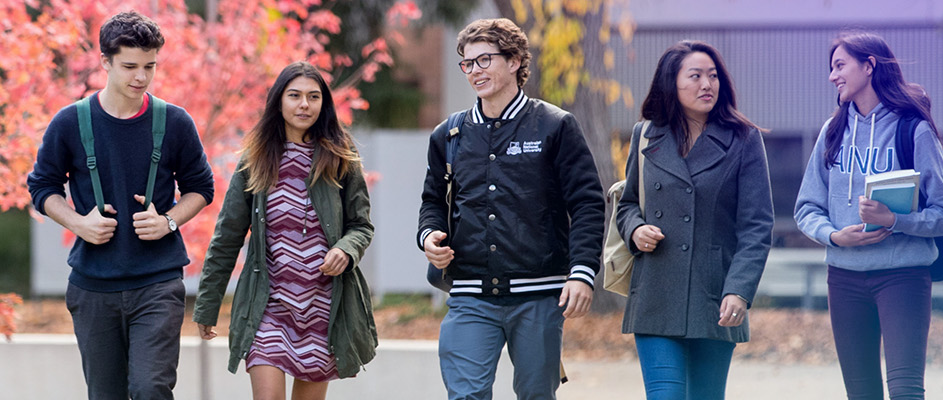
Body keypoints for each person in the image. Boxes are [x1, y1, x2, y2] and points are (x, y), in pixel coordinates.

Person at [24, 11, 216, 400]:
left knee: (150, 388)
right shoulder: (69, 123)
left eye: (150, 66)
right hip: (93, 286)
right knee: (105, 394)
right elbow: (42, 187)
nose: (141, 77)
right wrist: (79, 223)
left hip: (158, 282)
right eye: (130, 66)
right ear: (105, 62)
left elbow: (201, 188)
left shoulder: (176, 122)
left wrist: (169, 221)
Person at [418, 18, 604, 400]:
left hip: (539, 293)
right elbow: (432, 201)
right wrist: (428, 236)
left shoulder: (555, 126)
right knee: (466, 395)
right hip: (469, 293)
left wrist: (582, 272)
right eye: (467, 63)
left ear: (515, 60)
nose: (474, 71)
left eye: (484, 60)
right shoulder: (448, 135)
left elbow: (586, 202)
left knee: (536, 394)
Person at [192, 61, 378, 400]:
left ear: (324, 103)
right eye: (294, 96)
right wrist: (207, 305)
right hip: (269, 305)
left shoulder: (340, 156)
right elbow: (227, 237)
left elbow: (361, 226)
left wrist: (346, 250)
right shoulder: (256, 160)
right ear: (279, 101)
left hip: (323, 307)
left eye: (313, 96)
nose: (304, 104)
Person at [793, 30, 943, 400]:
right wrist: (834, 236)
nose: (832, 75)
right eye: (832, 67)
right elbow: (806, 207)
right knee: (862, 394)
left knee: (905, 392)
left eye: (840, 65)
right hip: (844, 278)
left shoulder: (912, 130)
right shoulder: (833, 131)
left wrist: (894, 220)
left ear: (869, 66)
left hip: (903, 276)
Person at [615, 40, 773, 400]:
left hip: (714, 297)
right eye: (696, 75)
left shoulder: (743, 139)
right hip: (656, 294)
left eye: (713, 76)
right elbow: (626, 204)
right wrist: (635, 230)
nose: (707, 84)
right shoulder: (645, 135)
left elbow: (756, 227)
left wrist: (739, 290)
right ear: (672, 83)